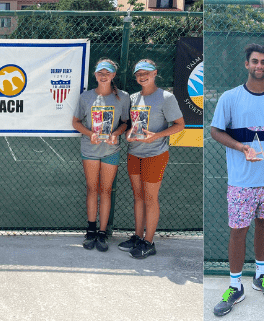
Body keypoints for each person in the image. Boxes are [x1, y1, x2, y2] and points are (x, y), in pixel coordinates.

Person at [210, 44, 264, 317]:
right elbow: (215, 131)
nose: (259, 66)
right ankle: (235, 286)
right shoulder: (230, 98)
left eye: (263, 62)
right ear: (247, 64)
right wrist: (240, 147)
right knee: (238, 231)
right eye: (255, 61)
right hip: (241, 181)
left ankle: (260, 275)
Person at [121, 59, 184, 259]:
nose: (142, 76)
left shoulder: (166, 97)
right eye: (139, 73)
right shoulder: (133, 98)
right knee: (138, 197)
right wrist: (128, 134)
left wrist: (156, 136)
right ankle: (138, 237)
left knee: (150, 198)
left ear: (155, 73)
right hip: (134, 153)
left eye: (146, 72)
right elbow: (131, 126)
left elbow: (180, 125)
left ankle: (149, 243)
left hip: (155, 154)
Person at [71, 58, 130, 252]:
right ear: (95, 75)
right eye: (100, 73)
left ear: (113, 75)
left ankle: (102, 232)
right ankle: (91, 231)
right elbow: (76, 122)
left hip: (111, 150)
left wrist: (116, 134)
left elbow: (125, 123)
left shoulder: (123, 97)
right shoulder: (86, 97)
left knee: (105, 191)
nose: (103, 76)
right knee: (92, 190)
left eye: (107, 73)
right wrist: (90, 134)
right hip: (90, 150)